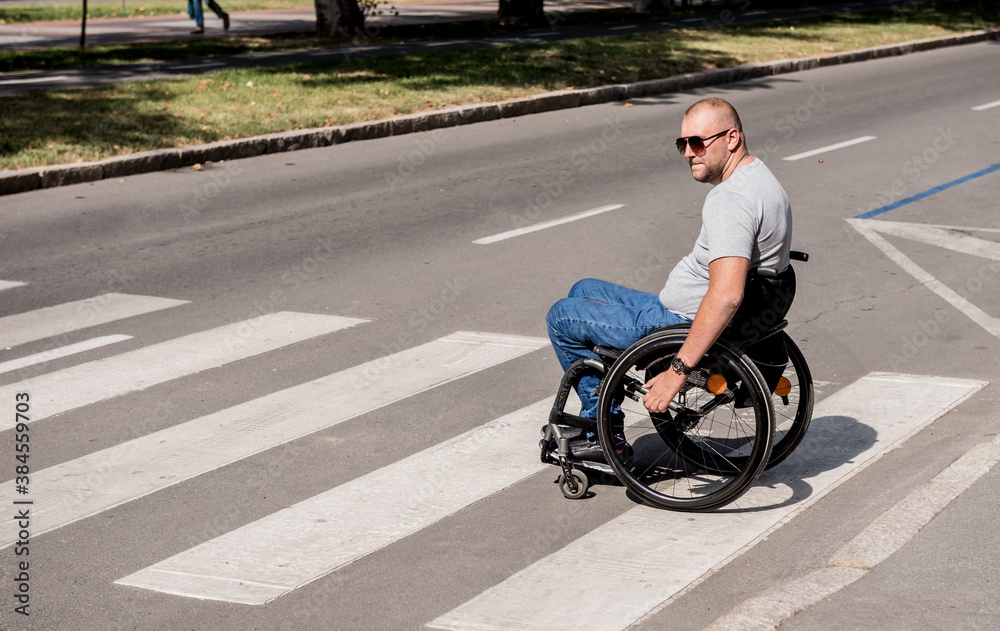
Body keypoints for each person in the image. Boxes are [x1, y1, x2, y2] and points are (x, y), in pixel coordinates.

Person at [545, 97, 792, 461]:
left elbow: (726, 296)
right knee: (584, 289)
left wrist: (678, 370)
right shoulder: (758, 175)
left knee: (562, 317)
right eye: (682, 144)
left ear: (732, 138)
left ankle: (603, 431)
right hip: (687, 307)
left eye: (697, 142)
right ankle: (607, 389)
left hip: (680, 321)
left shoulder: (732, 200)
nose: (689, 153)